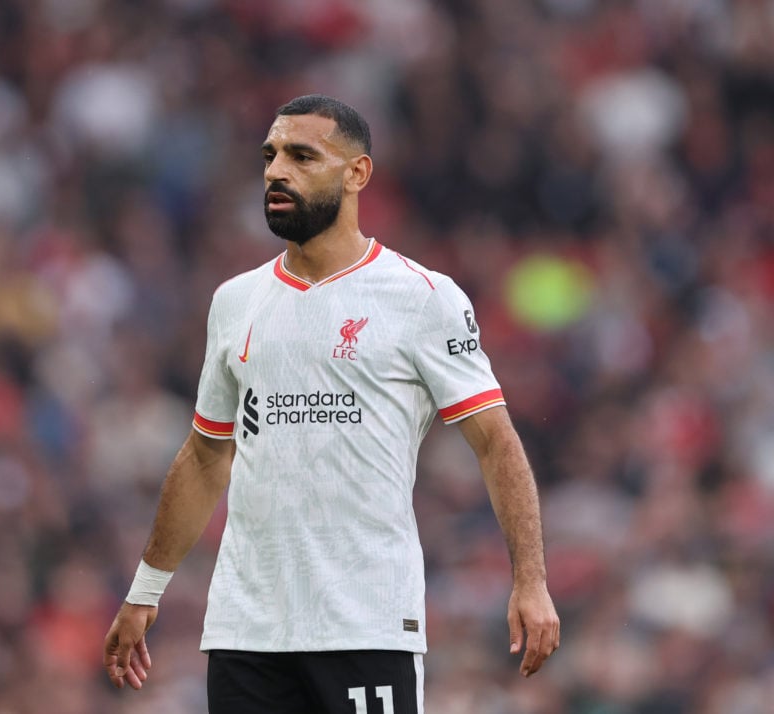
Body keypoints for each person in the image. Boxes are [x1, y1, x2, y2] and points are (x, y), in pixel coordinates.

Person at [102, 94, 560, 713]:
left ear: (357, 174)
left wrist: (529, 580)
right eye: (269, 156)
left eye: (301, 155)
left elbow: (495, 441)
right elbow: (207, 455)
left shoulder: (423, 298)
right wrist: (145, 590)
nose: (275, 171)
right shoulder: (236, 302)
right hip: (247, 630)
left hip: (364, 623)